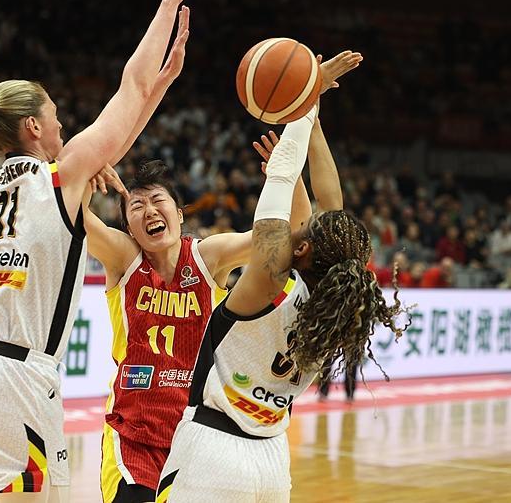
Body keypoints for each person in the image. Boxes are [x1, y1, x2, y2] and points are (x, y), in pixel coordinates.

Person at [0, 0, 199, 503]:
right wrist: (168, 0)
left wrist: (160, 88)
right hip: (15, 380)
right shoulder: (60, 177)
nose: (62, 127)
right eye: (55, 116)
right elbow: (129, 87)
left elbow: (116, 138)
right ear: (34, 126)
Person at [84, 53, 359, 503]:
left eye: (158, 201)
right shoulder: (123, 257)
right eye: (137, 206)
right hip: (134, 435)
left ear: (180, 213)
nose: (149, 211)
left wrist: (287, 177)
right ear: (128, 226)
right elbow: (72, 217)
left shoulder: (208, 256)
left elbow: (292, 233)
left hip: (195, 430)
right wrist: (89, 171)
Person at [156, 100, 408, 503]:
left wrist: (303, 108)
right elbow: (332, 205)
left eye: (305, 230)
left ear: (302, 248)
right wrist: (313, 118)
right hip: (272, 461)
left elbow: (280, 197)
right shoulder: (335, 308)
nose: (302, 224)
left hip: (212, 452)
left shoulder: (269, 285)